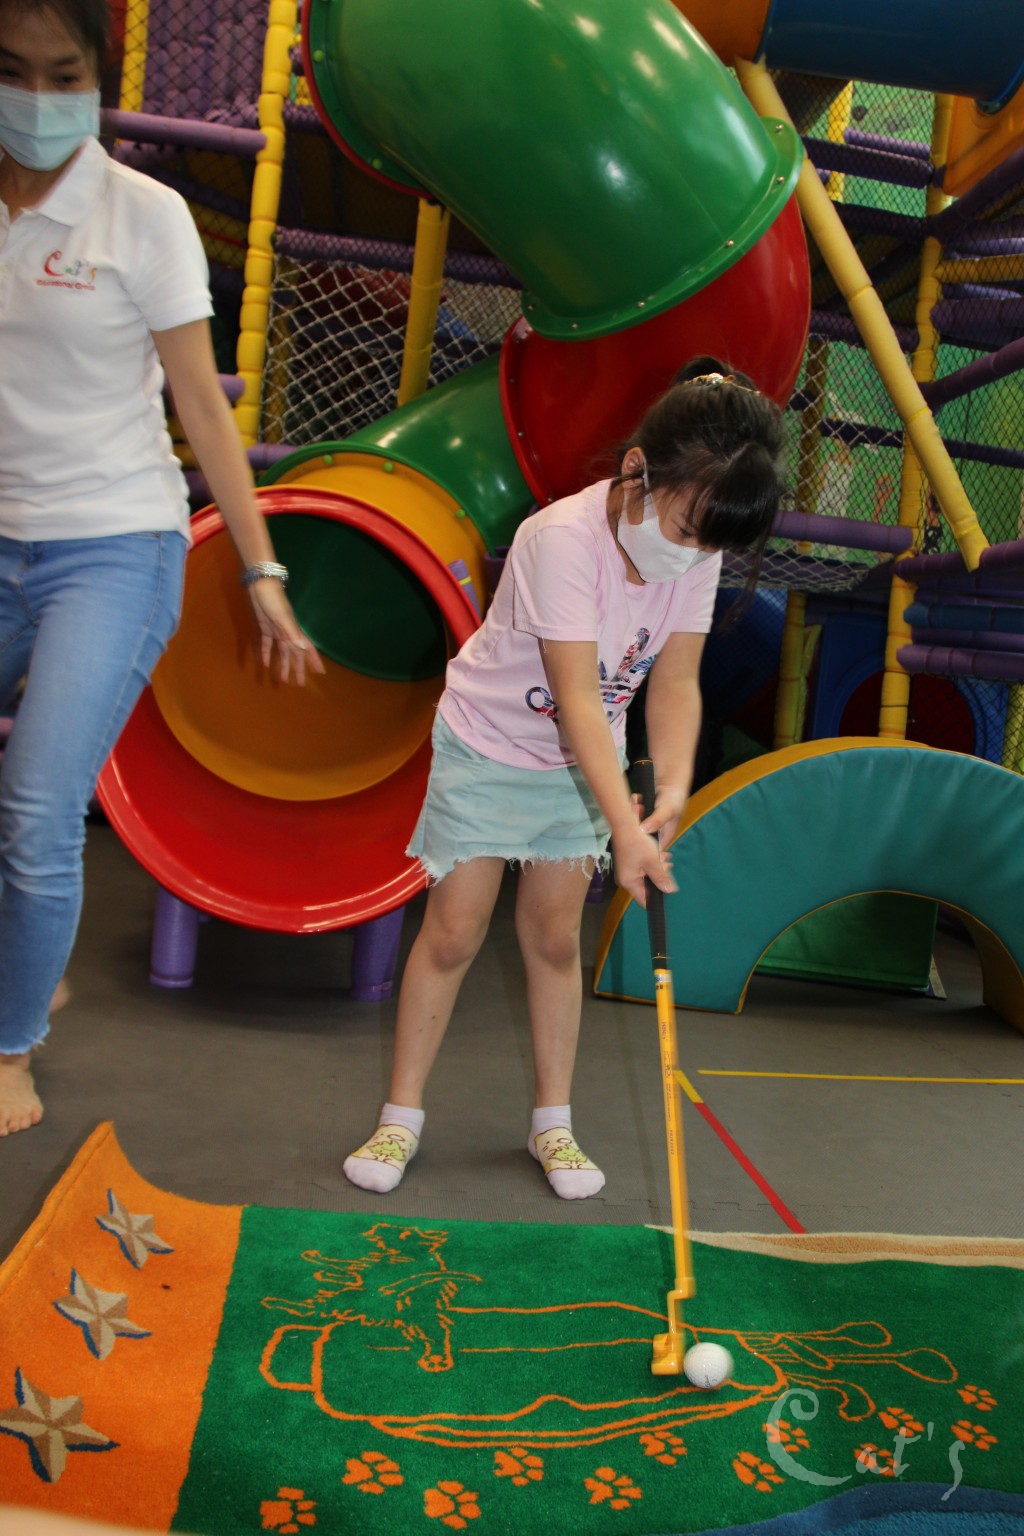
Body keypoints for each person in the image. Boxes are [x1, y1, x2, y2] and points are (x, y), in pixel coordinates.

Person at [343, 356, 787, 1200]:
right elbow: (577, 696)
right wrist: (624, 826)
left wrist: (673, 789)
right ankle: (400, 1116)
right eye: (688, 528)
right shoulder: (561, 541)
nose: (694, 553)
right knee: (454, 932)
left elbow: (676, 681)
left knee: (553, 938)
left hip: (582, 766)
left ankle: (553, 1124)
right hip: (488, 745)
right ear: (638, 471)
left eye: (712, 543)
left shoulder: (696, 553)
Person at [0, 0, 324, 1136]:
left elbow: (200, 403)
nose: (38, 97)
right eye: (14, 71)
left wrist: (260, 572)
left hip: (113, 543)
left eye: (63, 75)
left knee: (37, 805)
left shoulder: (143, 216)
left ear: (98, 81)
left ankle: (10, 1045)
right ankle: (28, 963)